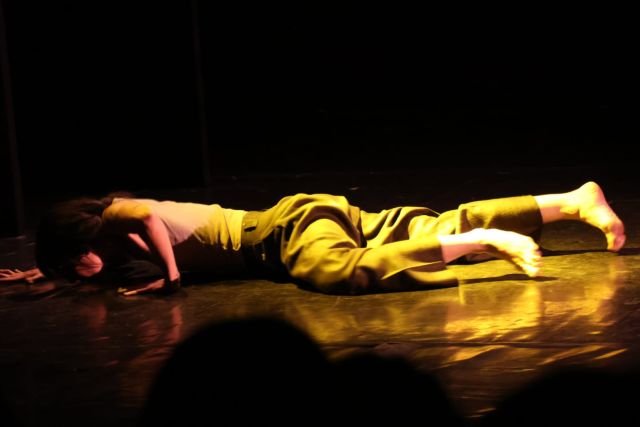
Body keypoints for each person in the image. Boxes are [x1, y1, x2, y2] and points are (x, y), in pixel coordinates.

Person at [0, 181, 626, 295]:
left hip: (282, 232)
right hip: (303, 216)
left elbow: (151, 224)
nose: (79, 273)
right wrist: (40, 277)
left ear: (79, 240)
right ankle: (570, 202)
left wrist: (172, 277)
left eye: (69, 263)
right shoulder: (106, 248)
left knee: (336, 272)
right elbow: (94, 270)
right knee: (433, 225)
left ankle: (490, 237)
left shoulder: (118, 215)